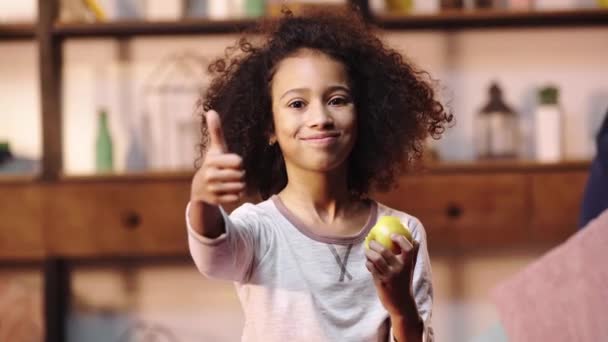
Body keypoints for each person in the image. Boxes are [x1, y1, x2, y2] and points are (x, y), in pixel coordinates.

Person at [186, 7, 452, 342]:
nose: (320, 118)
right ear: (269, 126)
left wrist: (401, 307)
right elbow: (212, 256)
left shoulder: (406, 234)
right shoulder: (259, 229)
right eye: (297, 104)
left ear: (364, 115)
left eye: (337, 100)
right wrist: (201, 199)